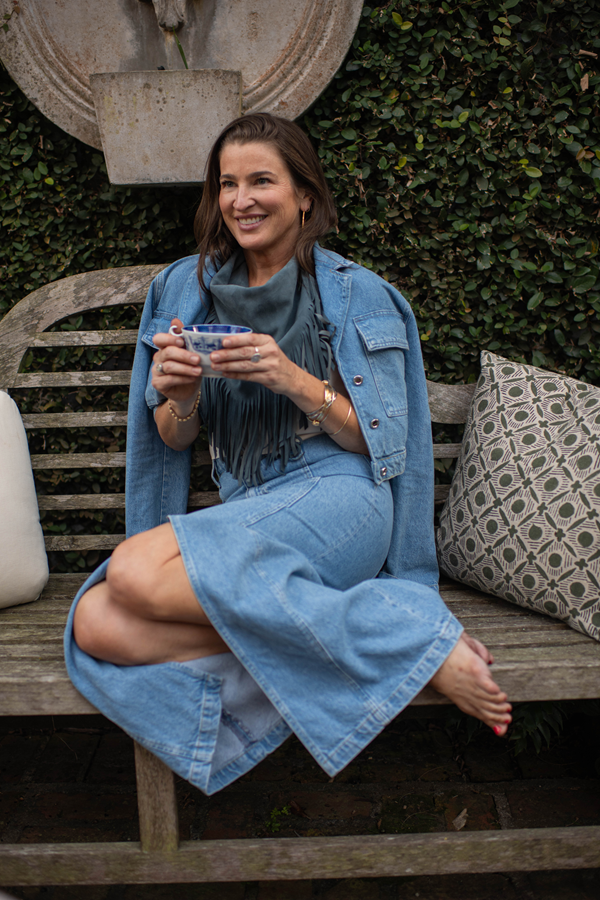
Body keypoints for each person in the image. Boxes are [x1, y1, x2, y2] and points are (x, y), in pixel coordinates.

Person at [65, 113, 511, 795]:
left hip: (342, 500)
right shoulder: (183, 290)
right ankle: (391, 646)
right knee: (96, 625)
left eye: (261, 180)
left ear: (305, 194)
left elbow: (384, 443)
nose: (240, 199)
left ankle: (411, 644)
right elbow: (175, 438)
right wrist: (180, 395)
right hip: (253, 509)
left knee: (130, 570)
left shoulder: (358, 293)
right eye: (227, 183)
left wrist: (293, 379)